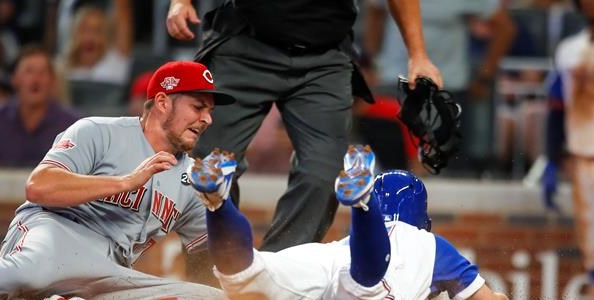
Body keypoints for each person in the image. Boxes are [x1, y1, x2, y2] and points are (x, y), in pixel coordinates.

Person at [0, 60, 235, 300]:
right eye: (198, 107)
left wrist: (222, 208)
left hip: (109, 272)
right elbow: (39, 186)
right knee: (21, 272)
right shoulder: (98, 131)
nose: (207, 119)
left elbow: (207, 255)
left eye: (209, 111)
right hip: (55, 233)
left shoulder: (193, 177)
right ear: (162, 102)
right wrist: (125, 182)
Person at [166, 0, 443, 252]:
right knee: (208, 167)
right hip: (244, 42)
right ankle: (212, 280)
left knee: (323, 174)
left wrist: (417, 54)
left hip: (325, 57)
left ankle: (277, 279)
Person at [186, 145, 520, 300]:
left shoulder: (356, 240)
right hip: (363, 279)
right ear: (424, 219)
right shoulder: (429, 245)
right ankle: (361, 203)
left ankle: (217, 202)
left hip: (323, 259)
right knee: (366, 288)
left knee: (246, 277)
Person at [363, 0, 516, 173]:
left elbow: (505, 27)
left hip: (446, 85)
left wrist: (484, 77)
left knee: (442, 168)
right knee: (388, 167)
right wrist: (369, 64)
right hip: (393, 82)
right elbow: (375, 15)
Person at [542, 0, 594, 300]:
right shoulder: (570, 50)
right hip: (583, 151)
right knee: (590, 233)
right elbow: (557, 106)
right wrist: (551, 157)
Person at [0, 45, 80, 167]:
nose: (36, 80)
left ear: (52, 80)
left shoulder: (72, 124)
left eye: (42, 73)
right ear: (14, 79)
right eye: (29, 71)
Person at [58, 0, 133, 85]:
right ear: (74, 35)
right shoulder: (61, 69)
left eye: (97, 31)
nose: (90, 38)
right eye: (84, 30)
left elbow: (123, 11)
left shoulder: (115, 61)